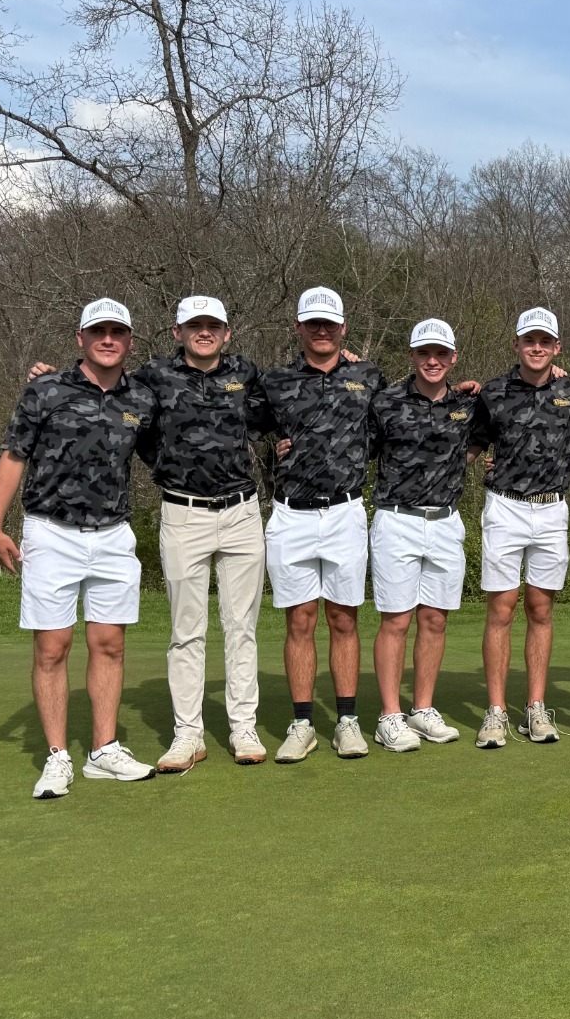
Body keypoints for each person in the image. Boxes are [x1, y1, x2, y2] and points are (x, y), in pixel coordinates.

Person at [30, 295, 271, 769]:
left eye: (213, 325)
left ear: (227, 332)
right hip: (182, 513)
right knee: (186, 631)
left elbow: (290, 404)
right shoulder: (152, 377)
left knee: (241, 627)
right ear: (177, 331)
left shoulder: (247, 373)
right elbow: (101, 387)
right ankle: (188, 735)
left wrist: (345, 360)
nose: (204, 332)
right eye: (194, 325)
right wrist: (55, 380)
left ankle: (243, 727)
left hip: (242, 513)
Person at [0, 298, 159, 798]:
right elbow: (14, 456)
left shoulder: (142, 399)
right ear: (80, 339)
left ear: (129, 341)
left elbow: (166, 453)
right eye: (98, 331)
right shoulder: (45, 389)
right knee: (52, 646)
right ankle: (58, 756)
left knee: (110, 644)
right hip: (51, 532)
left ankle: (104, 750)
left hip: (113, 534)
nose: (108, 340)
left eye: (117, 332)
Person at [258, 287, 387, 763]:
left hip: (345, 512)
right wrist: (271, 451)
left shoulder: (368, 376)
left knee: (343, 618)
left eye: (329, 323)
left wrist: (466, 392)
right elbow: (243, 431)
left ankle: (347, 721)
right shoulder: (274, 382)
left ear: (343, 327)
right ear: (298, 327)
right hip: (291, 512)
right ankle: (302, 723)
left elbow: (403, 419)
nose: (321, 330)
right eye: (312, 322)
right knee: (300, 619)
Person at [472, 307, 570, 747]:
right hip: (505, 507)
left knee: (540, 609)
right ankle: (495, 711)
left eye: (545, 342)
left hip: (552, 510)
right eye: (529, 341)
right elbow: (470, 441)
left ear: (557, 347)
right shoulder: (493, 392)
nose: (537, 348)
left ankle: (535, 708)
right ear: (516, 344)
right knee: (501, 609)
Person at [366, 319, 478, 752]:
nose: (433, 361)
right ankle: (389, 715)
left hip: (446, 522)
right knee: (396, 620)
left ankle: (423, 709)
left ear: (454, 357)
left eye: (441, 353)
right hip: (397, 520)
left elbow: (489, 433)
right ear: (412, 356)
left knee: (435, 619)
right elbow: (356, 448)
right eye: (424, 353)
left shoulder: (469, 403)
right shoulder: (386, 401)